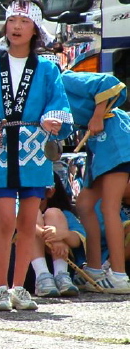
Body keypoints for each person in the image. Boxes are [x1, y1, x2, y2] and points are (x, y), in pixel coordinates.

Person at [0, 0, 73, 311]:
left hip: (34, 150)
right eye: (12, 20)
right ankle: (1, 287)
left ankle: (20, 288)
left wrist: (52, 119)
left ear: (35, 29)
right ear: (5, 26)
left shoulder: (48, 69)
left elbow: (59, 105)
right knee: (4, 218)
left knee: (26, 221)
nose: (17, 27)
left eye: (24, 21)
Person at [62, 69, 130, 293]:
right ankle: (94, 268)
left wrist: (98, 114)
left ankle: (119, 275)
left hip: (114, 136)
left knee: (110, 207)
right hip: (99, 144)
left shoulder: (62, 78)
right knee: (84, 204)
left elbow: (110, 82)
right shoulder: (42, 94)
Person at [31, 172, 82, 297]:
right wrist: (43, 233)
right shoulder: (17, 209)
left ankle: (61, 274)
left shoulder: (63, 213)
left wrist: (61, 235)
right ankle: (41, 275)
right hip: (29, 268)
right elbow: (22, 226)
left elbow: (77, 241)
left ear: (50, 192)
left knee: (54, 213)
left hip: (60, 262)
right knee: (32, 213)